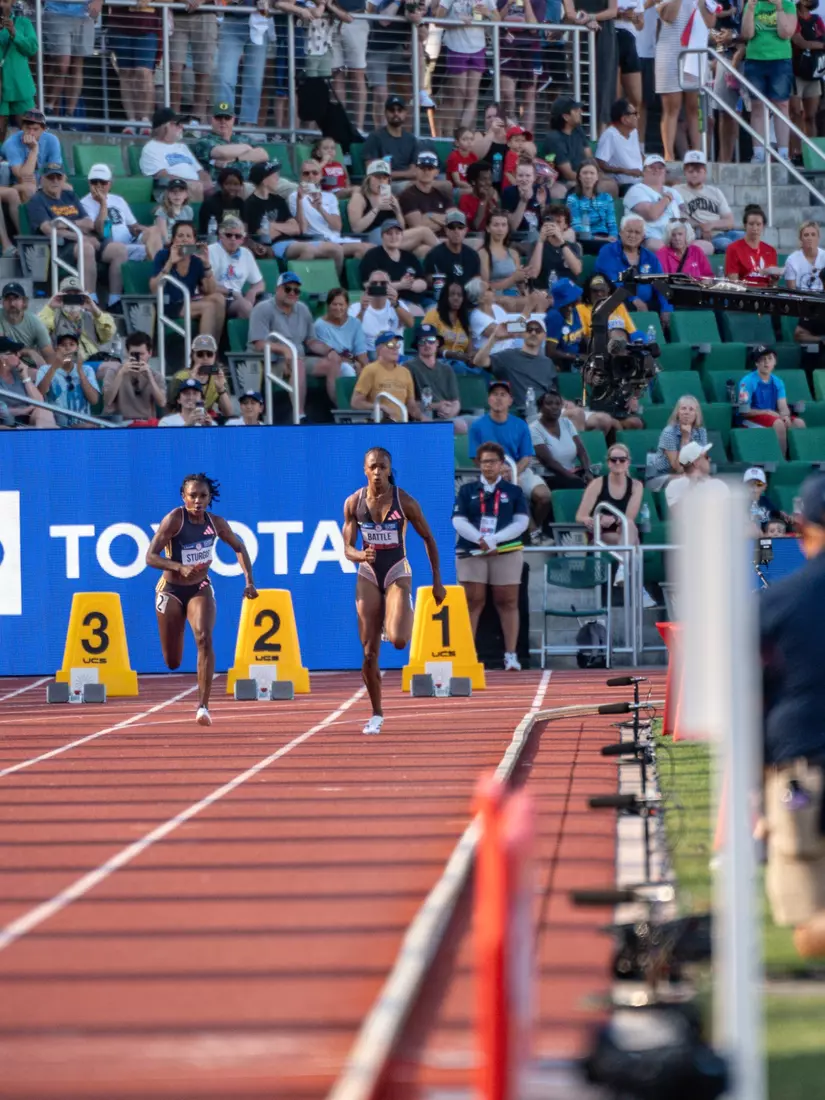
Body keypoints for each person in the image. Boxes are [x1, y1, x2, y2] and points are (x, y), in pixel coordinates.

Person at [759, 472, 825, 957]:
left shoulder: (778, 600)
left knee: (810, 925)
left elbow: (748, 694)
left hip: (801, 768)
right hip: (801, 762)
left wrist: (753, 792)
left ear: (802, 531)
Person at [343, 446, 446, 735]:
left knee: (400, 640)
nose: (377, 472)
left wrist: (437, 580)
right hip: (367, 573)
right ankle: (376, 713)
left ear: (390, 469)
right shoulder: (353, 503)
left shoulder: (405, 501)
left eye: (383, 467)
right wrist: (360, 555)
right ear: (364, 469)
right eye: (372, 467)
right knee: (368, 654)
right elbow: (348, 548)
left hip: (397, 570)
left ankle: (400, 608)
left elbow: (428, 538)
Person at [145, 473, 258, 727]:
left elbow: (239, 547)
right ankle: (177, 638)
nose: (198, 500)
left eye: (203, 496)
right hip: (170, 590)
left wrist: (249, 581)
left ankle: (203, 706)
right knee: (172, 660)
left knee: (204, 638)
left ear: (210, 498)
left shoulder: (216, 523)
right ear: (183, 497)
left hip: (200, 588)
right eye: (193, 496)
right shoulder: (175, 519)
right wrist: (177, 566)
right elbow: (150, 557)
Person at [453, 441, 530, 670]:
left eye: (493, 462)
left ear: (501, 464)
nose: (488, 466)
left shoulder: (513, 491)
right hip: (472, 550)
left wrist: (495, 540)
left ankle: (511, 655)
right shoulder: (467, 491)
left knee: (507, 601)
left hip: (505, 550)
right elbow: (458, 520)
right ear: (478, 464)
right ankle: (467, 654)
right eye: (484, 462)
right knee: (472, 601)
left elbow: (522, 522)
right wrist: (481, 539)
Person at [27, 164, 128, 302]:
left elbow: (88, 223)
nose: (55, 181)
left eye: (58, 177)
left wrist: (65, 225)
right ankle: (89, 299)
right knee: (86, 248)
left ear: (64, 179)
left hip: (90, 240)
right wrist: (79, 236)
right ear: (42, 180)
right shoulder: (37, 200)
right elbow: (48, 229)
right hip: (61, 247)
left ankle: (115, 300)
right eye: (50, 177)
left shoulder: (70, 196)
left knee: (119, 250)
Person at [249, 271, 343, 415]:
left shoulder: (303, 309)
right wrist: (285, 350)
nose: (292, 293)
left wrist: (330, 351)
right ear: (277, 289)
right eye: (288, 289)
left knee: (332, 363)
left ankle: (341, 411)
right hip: (272, 363)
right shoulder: (262, 309)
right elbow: (259, 344)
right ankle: (300, 416)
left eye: (296, 290)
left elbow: (311, 341)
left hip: (298, 358)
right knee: (297, 363)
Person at [468, 378, 552, 530]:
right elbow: (475, 457)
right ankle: (533, 535)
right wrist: (497, 472)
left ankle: (534, 528)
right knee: (515, 488)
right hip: (489, 473)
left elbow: (527, 456)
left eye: (503, 394)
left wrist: (513, 472)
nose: (499, 398)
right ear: (489, 399)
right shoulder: (477, 426)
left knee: (544, 496)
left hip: (519, 469)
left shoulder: (520, 424)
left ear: (510, 400)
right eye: (495, 394)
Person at [655, 0, 716, 162]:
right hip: (670, 51)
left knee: (694, 107)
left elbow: (711, 22)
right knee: (671, 106)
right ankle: (669, 155)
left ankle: (697, 155)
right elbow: (669, 16)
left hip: (695, 52)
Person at [150, 221, 226, 341]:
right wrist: (170, 262)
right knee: (209, 307)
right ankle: (203, 351)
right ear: (173, 240)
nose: (184, 240)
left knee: (219, 298)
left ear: (194, 241)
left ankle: (212, 350)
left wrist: (206, 264)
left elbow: (210, 290)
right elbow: (154, 289)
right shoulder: (163, 255)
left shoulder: (196, 260)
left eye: (188, 236)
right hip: (168, 304)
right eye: (180, 236)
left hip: (187, 301)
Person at [742, 0, 797, 164]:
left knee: (782, 105)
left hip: (780, 60)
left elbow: (786, 33)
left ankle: (783, 152)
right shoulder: (752, 3)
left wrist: (778, 6)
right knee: (757, 106)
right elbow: (747, 34)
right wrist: (750, 8)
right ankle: (758, 153)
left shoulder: (788, 4)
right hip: (755, 60)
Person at [595, 215, 673, 326]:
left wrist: (666, 308)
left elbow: (661, 284)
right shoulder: (608, 252)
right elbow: (611, 282)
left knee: (667, 311)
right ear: (621, 232)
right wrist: (633, 299)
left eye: (637, 232)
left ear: (643, 236)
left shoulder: (650, 257)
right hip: (619, 302)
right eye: (629, 231)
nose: (632, 235)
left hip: (646, 303)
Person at [349, 162, 438, 254]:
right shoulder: (359, 197)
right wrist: (377, 208)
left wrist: (397, 211)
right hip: (372, 237)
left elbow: (401, 227)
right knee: (424, 231)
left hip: (393, 235)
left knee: (423, 249)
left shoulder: (391, 197)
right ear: (368, 179)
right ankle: (448, 254)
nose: (381, 181)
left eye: (384, 178)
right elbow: (356, 228)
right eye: (377, 177)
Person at [738, 344, 806, 456]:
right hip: (751, 418)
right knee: (778, 424)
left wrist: (785, 415)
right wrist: (766, 412)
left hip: (773, 416)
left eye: (770, 358)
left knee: (799, 423)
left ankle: (800, 458)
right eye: (762, 359)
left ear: (775, 362)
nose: (766, 362)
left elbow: (783, 406)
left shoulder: (778, 381)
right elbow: (744, 411)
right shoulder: (748, 381)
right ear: (756, 363)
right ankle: (781, 459)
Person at [575, 440, 643, 546]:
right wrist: (598, 519)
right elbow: (580, 516)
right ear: (608, 462)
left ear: (628, 462)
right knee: (634, 542)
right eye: (613, 460)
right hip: (601, 532)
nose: (617, 463)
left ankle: (623, 562)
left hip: (621, 529)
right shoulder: (597, 483)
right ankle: (626, 562)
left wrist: (614, 519)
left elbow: (629, 518)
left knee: (629, 526)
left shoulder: (636, 486)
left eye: (622, 460)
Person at [139, 108, 213, 203]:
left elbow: (200, 171)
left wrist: (206, 182)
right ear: (165, 127)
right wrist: (192, 183)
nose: (182, 127)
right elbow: (162, 176)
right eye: (177, 124)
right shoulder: (151, 148)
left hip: (196, 187)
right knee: (196, 187)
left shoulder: (182, 146)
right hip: (171, 191)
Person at [675, 149, 741, 253]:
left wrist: (711, 225)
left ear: (705, 172)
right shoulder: (677, 191)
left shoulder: (715, 192)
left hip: (723, 232)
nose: (695, 175)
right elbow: (677, 219)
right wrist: (702, 227)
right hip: (705, 237)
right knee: (727, 244)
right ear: (685, 172)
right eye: (691, 171)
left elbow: (730, 221)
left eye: (698, 171)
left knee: (747, 238)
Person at [622, 154, 691, 253]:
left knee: (707, 246)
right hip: (651, 239)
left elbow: (684, 214)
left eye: (660, 168)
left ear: (665, 172)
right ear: (644, 172)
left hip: (676, 238)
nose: (657, 170)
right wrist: (666, 199)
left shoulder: (673, 191)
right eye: (652, 167)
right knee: (658, 247)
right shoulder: (636, 190)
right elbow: (652, 214)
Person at [405, 324, 467, 432]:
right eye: (422, 341)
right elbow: (409, 403)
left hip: (447, 416)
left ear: (437, 343)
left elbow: (456, 401)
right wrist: (437, 406)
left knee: (478, 422)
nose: (427, 344)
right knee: (459, 425)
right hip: (423, 417)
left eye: (431, 340)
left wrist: (451, 412)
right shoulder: (408, 367)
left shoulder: (447, 369)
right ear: (417, 345)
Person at [531, 388, 593, 489]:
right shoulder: (534, 429)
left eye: (558, 404)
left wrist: (587, 471)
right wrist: (574, 478)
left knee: (600, 483)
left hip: (572, 473)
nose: (554, 407)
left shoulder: (566, 423)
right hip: (549, 476)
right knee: (579, 486)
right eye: (549, 403)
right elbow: (549, 462)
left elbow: (581, 450)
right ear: (540, 408)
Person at [35, 331, 100, 427]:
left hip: (82, 425)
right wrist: (54, 367)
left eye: (72, 344)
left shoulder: (86, 370)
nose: (68, 348)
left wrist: (80, 372)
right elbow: (39, 394)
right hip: (56, 426)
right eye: (63, 345)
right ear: (56, 349)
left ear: (77, 349)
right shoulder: (44, 370)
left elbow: (94, 400)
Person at [351, 330, 420, 420]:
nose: (395, 348)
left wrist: (423, 418)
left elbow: (411, 404)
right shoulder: (370, 370)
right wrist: (380, 407)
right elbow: (356, 403)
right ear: (379, 349)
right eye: (390, 345)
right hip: (379, 424)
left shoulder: (405, 372)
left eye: (397, 345)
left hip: (402, 424)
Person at [193, 101, 270, 182]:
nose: (223, 121)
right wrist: (247, 148)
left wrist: (235, 159)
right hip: (224, 186)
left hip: (253, 182)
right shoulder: (204, 141)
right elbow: (221, 152)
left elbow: (263, 154)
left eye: (227, 118)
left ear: (233, 120)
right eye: (218, 117)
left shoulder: (243, 138)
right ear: (212, 119)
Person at [207, 215, 265, 322]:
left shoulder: (246, 253)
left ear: (242, 239)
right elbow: (205, 286)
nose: (233, 239)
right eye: (229, 235)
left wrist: (252, 292)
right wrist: (232, 293)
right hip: (215, 298)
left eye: (237, 236)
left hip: (237, 299)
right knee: (244, 307)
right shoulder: (211, 251)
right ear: (221, 236)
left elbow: (259, 283)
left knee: (268, 306)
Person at [101, 331, 167, 422]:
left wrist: (150, 378)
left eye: (141, 354)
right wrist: (121, 373)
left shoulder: (156, 375)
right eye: (133, 354)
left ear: (150, 353)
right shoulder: (114, 372)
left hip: (146, 423)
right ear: (127, 353)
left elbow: (162, 403)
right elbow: (107, 401)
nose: (137, 358)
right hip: (121, 423)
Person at [2, 107, 62, 202]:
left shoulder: (52, 140)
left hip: (42, 179)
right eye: (28, 128)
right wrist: (34, 150)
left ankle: (58, 215)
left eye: (35, 129)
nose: (31, 133)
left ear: (43, 129)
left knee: (65, 187)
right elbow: (22, 176)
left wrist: (49, 183)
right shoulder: (11, 143)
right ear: (22, 127)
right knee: (29, 187)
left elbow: (57, 169)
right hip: (12, 184)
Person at [169, 333, 234, 420]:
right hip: (183, 420)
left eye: (209, 354)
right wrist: (192, 382)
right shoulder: (180, 378)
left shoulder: (218, 377)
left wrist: (221, 388)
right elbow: (170, 410)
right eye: (200, 354)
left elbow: (228, 413)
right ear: (193, 356)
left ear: (215, 356)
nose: (205, 358)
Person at [648, 395, 707, 488]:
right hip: (661, 476)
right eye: (683, 408)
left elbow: (702, 464)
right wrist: (685, 438)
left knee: (707, 481)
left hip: (688, 474)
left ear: (696, 414)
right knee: (686, 481)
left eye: (691, 409)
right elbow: (679, 468)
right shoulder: (669, 432)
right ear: (678, 413)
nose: (686, 412)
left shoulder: (701, 432)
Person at [0, 0, 39, 142]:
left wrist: (14, 33)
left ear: (12, 2)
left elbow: (32, 49)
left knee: (31, 133)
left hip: (20, 86)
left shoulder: (23, 23)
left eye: (4, 1)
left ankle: (32, 162)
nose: (1, 5)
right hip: (1, 87)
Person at [541, 96, 599, 190]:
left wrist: (598, 175)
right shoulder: (554, 139)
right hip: (563, 183)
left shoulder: (578, 130)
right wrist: (590, 180)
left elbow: (590, 158)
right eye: (576, 110)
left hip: (584, 177)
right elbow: (568, 174)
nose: (580, 112)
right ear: (566, 117)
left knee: (609, 185)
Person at [349, 271, 413, 354]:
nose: (378, 286)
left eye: (383, 284)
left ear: (390, 286)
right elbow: (350, 332)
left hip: (394, 353)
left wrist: (395, 304)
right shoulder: (356, 307)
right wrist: (362, 310)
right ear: (368, 287)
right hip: (367, 355)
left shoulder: (399, 305)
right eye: (374, 283)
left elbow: (410, 324)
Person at [0, 336, 56, 428]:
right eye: (14, 353)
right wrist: (22, 411)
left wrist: (26, 378)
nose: (19, 355)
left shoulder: (20, 372)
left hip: (29, 419)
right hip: (6, 423)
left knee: (44, 412)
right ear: (3, 358)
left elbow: (40, 402)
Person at [361, 96, 421, 181]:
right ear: (385, 113)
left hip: (410, 183)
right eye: (392, 110)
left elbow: (415, 171)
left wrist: (390, 173)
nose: (396, 113)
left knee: (444, 186)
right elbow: (371, 170)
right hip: (385, 183)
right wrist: (407, 174)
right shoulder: (375, 137)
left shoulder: (411, 139)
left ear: (405, 113)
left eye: (399, 110)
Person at [566, 160, 619, 252]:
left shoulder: (606, 198)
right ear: (579, 177)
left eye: (592, 173)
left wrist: (613, 237)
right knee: (607, 247)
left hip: (606, 237)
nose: (588, 176)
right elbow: (577, 228)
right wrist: (604, 240)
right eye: (585, 173)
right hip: (586, 239)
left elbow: (612, 224)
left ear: (597, 177)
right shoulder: (573, 199)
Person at [479, 210, 530, 301]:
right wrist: (513, 279)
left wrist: (522, 277)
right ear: (488, 228)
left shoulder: (513, 253)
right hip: (495, 298)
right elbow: (485, 287)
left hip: (516, 296)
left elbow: (519, 282)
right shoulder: (483, 253)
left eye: (503, 225)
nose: (500, 229)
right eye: (496, 225)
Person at [423, 210, 482, 289]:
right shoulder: (434, 254)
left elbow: (477, 278)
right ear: (446, 230)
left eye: (460, 227)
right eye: (452, 227)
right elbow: (427, 279)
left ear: (465, 230)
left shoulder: (473, 255)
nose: (456, 231)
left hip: (466, 297)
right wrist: (434, 280)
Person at [397, 151, 452, 235]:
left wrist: (430, 216)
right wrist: (444, 221)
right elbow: (418, 227)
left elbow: (455, 218)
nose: (426, 172)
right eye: (423, 168)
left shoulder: (441, 194)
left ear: (436, 172)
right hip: (422, 242)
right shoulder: (408, 195)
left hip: (446, 239)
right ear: (416, 170)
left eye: (430, 169)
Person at [315, 287, 369, 373]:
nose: (338, 308)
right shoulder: (320, 325)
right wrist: (354, 363)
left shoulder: (355, 323)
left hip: (352, 360)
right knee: (348, 369)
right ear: (328, 305)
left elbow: (361, 351)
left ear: (347, 305)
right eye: (334, 304)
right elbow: (331, 355)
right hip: (332, 363)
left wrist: (367, 370)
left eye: (341, 304)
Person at [724, 203, 780, 284]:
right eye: (751, 224)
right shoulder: (733, 248)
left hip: (765, 294)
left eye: (758, 224)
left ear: (763, 226)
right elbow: (733, 282)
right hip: (744, 294)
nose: (755, 228)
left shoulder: (770, 250)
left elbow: (772, 285)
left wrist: (774, 279)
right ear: (745, 225)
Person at [594, 97, 643, 188]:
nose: (638, 117)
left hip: (641, 180)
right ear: (624, 119)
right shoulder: (610, 135)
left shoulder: (633, 132)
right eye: (635, 114)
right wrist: (626, 171)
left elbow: (638, 155)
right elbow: (600, 164)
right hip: (624, 185)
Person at [0, 282, 53, 365]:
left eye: (16, 299)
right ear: (2, 302)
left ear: (24, 302)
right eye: (8, 299)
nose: (12, 304)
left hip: (27, 366)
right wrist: (29, 351)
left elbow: (49, 355)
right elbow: (2, 344)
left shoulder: (35, 323)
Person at [422, 281, 473, 362]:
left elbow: (470, 352)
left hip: (461, 364)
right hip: (438, 361)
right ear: (445, 296)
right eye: (452, 294)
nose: (456, 298)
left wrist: (471, 357)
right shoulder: (433, 315)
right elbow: (426, 343)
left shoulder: (465, 320)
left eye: (459, 295)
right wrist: (450, 354)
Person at [197, 167, 246, 237]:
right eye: (228, 184)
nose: (232, 187)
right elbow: (205, 231)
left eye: (236, 184)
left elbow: (244, 229)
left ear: (241, 186)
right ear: (221, 185)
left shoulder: (240, 203)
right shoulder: (209, 204)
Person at [665, 439, 714, 507]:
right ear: (696, 462)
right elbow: (677, 514)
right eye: (706, 457)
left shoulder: (717, 484)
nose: (709, 459)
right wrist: (692, 486)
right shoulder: (674, 485)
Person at [783, 220, 825, 291]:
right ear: (801, 239)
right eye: (806, 235)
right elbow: (792, 292)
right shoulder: (792, 260)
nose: (810, 238)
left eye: (813, 234)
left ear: (818, 237)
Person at [459, 161, 500, 233]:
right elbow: (475, 226)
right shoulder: (465, 200)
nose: (488, 182)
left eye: (490, 178)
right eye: (484, 179)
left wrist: (489, 201)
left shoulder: (491, 200)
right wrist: (483, 201)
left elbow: (499, 221)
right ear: (473, 182)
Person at [153, 178, 196, 246]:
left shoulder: (188, 210)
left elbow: (188, 232)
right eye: (173, 191)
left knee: (201, 250)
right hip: (167, 246)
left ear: (186, 194)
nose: (177, 194)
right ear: (168, 194)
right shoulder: (161, 211)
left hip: (184, 244)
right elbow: (165, 239)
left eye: (181, 191)